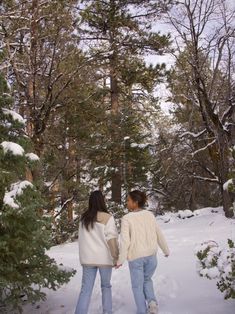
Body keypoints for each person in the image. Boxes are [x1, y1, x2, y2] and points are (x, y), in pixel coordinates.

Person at [116, 190, 170, 314]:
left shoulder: (126, 218)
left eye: (128, 200)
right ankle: (152, 304)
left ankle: (141, 311)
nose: (127, 202)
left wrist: (120, 260)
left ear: (135, 202)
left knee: (137, 286)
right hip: (151, 256)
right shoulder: (150, 215)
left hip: (136, 257)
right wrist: (165, 249)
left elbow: (125, 242)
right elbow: (158, 234)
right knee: (147, 280)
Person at [75, 190, 119, 314]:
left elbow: (81, 239)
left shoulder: (84, 218)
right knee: (106, 286)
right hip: (104, 259)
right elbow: (112, 239)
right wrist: (116, 257)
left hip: (88, 259)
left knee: (86, 290)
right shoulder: (107, 217)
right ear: (102, 201)